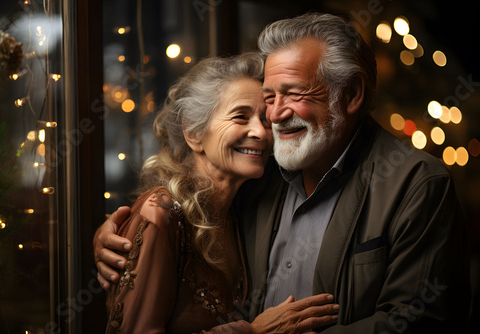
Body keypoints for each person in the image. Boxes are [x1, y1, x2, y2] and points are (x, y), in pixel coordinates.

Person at [95, 13, 471, 333]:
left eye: (293, 93)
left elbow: (422, 322)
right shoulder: (262, 172)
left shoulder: (417, 184)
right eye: (269, 97)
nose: (271, 119)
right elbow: (176, 218)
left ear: (352, 94)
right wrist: (131, 235)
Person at [101, 52, 339, 333]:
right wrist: (252, 332)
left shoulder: (240, 208)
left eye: (265, 120)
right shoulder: (161, 213)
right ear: (193, 132)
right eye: (240, 116)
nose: (261, 133)